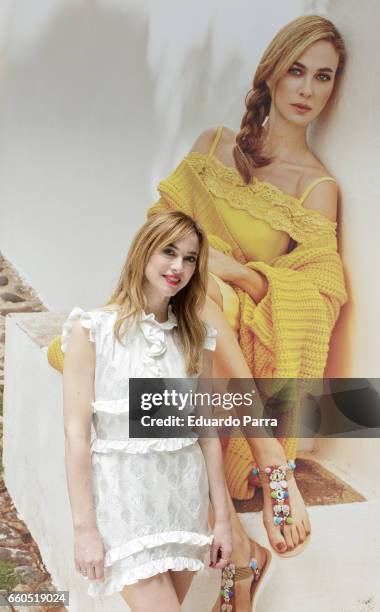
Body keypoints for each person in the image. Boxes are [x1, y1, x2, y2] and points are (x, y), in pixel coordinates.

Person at [147, 14, 348, 611]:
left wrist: (229, 274)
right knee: (198, 290)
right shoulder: (212, 146)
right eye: (296, 71)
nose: (307, 90)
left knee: (213, 300)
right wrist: (204, 266)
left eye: (324, 77)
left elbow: (318, 291)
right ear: (271, 73)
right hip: (170, 304)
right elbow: (161, 228)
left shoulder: (317, 188)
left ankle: (233, 537)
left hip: (222, 332)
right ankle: (266, 467)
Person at [61, 211, 238, 611]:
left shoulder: (194, 337)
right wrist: (84, 528)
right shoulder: (92, 331)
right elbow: (76, 437)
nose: (178, 267)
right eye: (168, 252)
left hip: (183, 504)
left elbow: (206, 434)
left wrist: (222, 521)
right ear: (143, 252)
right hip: (124, 508)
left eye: (190, 258)